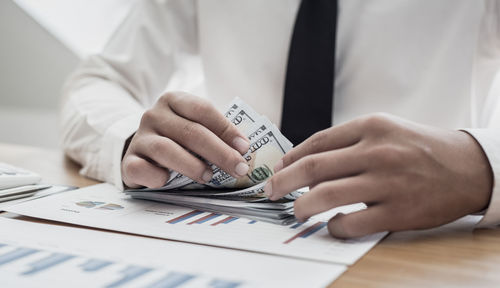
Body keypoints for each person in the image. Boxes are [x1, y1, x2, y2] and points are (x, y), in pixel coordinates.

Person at [61, 0, 500, 239]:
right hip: (233, 243)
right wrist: (131, 140)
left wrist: (484, 166)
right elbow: (98, 82)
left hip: (420, 251)